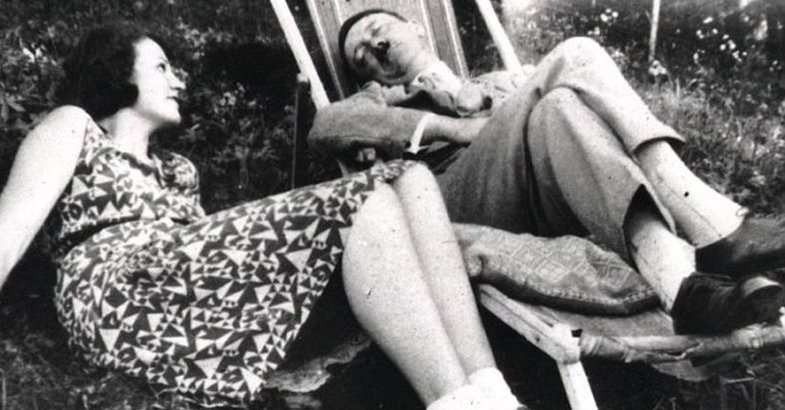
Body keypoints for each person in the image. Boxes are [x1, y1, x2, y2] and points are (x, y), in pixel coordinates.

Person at [0, 24, 529, 410]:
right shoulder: (73, 126)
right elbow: (12, 226)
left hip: (179, 290)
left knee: (409, 177)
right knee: (362, 198)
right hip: (115, 290)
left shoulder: (178, 170)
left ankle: (490, 389)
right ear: (116, 70)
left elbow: (218, 261)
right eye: (161, 67)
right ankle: (453, 401)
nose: (177, 80)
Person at [309, 8, 785, 335]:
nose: (373, 45)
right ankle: (716, 228)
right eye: (361, 57)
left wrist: (492, 96)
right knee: (577, 52)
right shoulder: (381, 99)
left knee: (559, 105)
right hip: (454, 199)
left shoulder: (498, 81)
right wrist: (452, 126)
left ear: (414, 26)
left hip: (542, 192)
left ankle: (681, 289)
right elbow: (328, 125)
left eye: (376, 29)